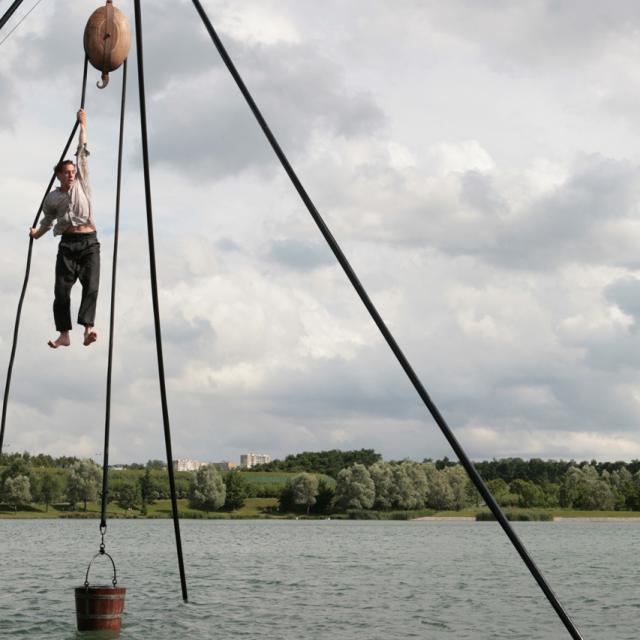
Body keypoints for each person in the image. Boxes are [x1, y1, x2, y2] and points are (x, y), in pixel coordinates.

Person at [30, 108, 100, 349]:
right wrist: (36, 235)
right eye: (67, 173)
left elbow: (82, 150)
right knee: (61, 291)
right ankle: (64, 334)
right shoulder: (52, 199)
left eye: (73, 172)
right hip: (68, 244)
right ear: (59, 175)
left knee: (91, 286)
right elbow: (47, 221)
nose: (71, 175)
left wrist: (83, 124)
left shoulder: (82, 181)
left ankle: (88, 329)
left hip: (89, 241)